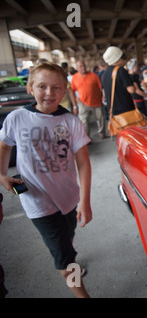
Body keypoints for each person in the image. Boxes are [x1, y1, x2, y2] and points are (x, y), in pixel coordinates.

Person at [0, 62, 92, 298]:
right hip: (36, 202)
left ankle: (68, 257)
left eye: (56, 88)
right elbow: (4, 145)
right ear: (31, 87)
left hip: (69, 198)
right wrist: (2, 174)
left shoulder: (71, 121)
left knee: (67, 240)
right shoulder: (16, 118)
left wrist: (85, 201)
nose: (49, 93)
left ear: (64, 91)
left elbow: (83, 162)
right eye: (42, 86)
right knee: (65, 265)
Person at [71, 61, 107, 139]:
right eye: (80, 66)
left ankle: (102, 133)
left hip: (96, 101)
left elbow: (101, 87)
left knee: (100, 118)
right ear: (77, 69)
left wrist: (103, 96)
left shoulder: (93, 75)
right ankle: (87, 137)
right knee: (84, 121)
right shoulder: (75, 78)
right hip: (82, 103)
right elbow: (72, 90)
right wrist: (75, 102)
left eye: (83, 66)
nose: (83, 68)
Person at [101, 46, 136, 122]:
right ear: (117, 59)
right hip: (125, 112)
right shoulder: (120, 71)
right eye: (122, 58)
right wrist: (131, 76)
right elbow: (131, 90)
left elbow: (104, 92)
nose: (124, 60)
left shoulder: (105, 74)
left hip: (113, 112)